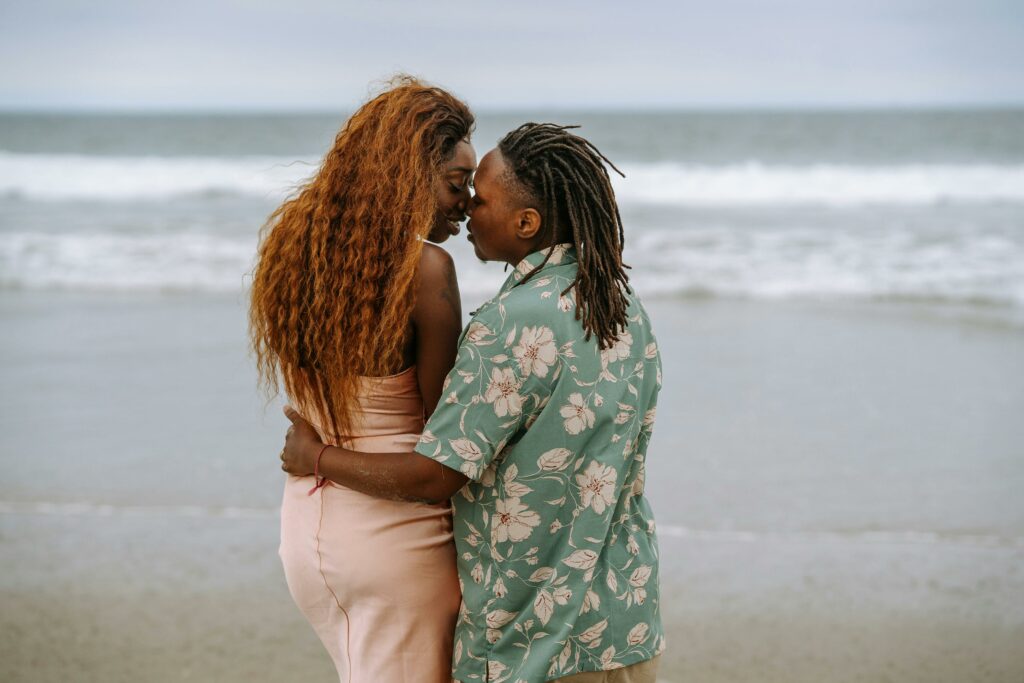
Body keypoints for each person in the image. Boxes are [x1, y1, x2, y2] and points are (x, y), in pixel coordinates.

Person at [283, 123, 665, 683]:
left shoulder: (511, 324)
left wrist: (314, 459)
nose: (465, 212)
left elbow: (436, 476)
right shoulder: (622, 307)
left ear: (525, 223)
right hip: (625, 625)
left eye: (480, 199)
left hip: (535, 643)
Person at [250, 77, 476, 682]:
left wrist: (316, 458)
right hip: (397, 544)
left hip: (309, 537)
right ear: (409, 173)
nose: (468, 202)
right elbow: (443, 453)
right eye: (457, 183)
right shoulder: (426, 271)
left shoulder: (298, 252)